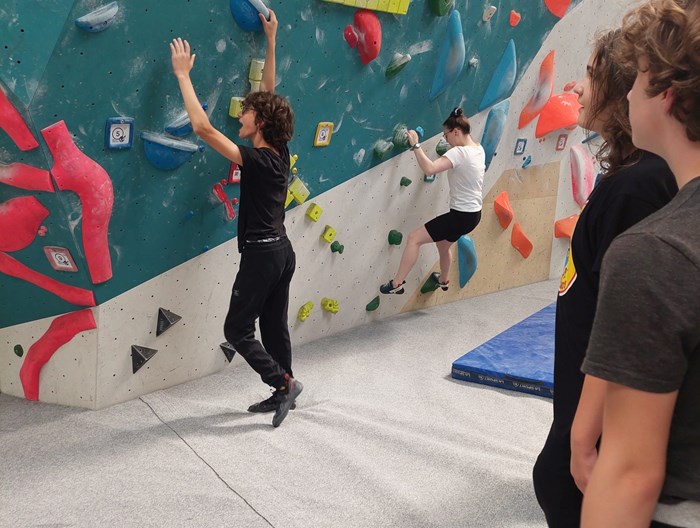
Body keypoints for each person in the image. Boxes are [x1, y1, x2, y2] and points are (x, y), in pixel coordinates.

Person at [532, 28, 678, 527]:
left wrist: (584, 440)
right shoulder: (630, 178)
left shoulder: (639, 187)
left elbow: (631, 331)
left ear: (624, 91)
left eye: (591, 75)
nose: (576, 86)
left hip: (601, 432)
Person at [580, 0, 700, 526]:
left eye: (640, 78)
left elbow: (631, 473)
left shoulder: (656, 251)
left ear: (667, 94)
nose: (629, 93)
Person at [169, 10, 302, 428]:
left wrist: (182, 76)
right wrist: (271, 41)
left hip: (263, 256)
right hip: (281, 252)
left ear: (260, 123)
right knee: (273, 326)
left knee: (237, 330)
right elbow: (270, 93)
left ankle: (284, 384)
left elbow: (203, 128)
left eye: (246, 112)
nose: (241, 115)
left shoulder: (259, 159)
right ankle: (283, 387)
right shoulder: (278, 148)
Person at [379, 108, 485, 295]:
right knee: (443, 245)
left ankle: (396, 284)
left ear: (456, 131)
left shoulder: (459, 153)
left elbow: (430, 169)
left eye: (446, 135)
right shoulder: (478, 148)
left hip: (460, 216)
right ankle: (443, 280)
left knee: (414, 239)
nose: (446, 140)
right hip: (473, 215)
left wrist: (415, 145)